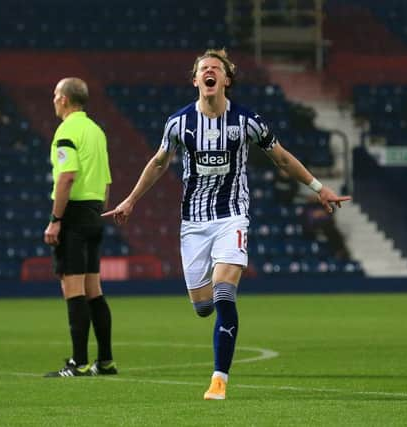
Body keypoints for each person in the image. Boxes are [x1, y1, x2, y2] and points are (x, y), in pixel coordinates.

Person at [103, 49, 351, 399]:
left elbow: (280, 156)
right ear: (195, 80)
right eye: (203, 69)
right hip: (193, 222)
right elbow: (159, 163)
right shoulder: (179, 123)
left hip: (232, 215)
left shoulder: (247, 121)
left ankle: (219, 378)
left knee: (224, 292)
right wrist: (130, 200)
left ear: (226, 80)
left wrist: (317, 188)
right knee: (203, 306)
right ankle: (212, 317)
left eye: (215, 69)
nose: (209, 72)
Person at [43, 77, 116, 378]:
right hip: (95, 212)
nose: (53, 100)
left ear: (63, 99)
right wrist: (98, 212)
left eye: (55, 94)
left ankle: (79, 362)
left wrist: (56, 220)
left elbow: (67, 177)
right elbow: (107, 181)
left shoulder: (67, 131)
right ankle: (106, 361)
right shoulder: (96, 131)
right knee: (93, 290)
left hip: (73, 217)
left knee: (72, 290)